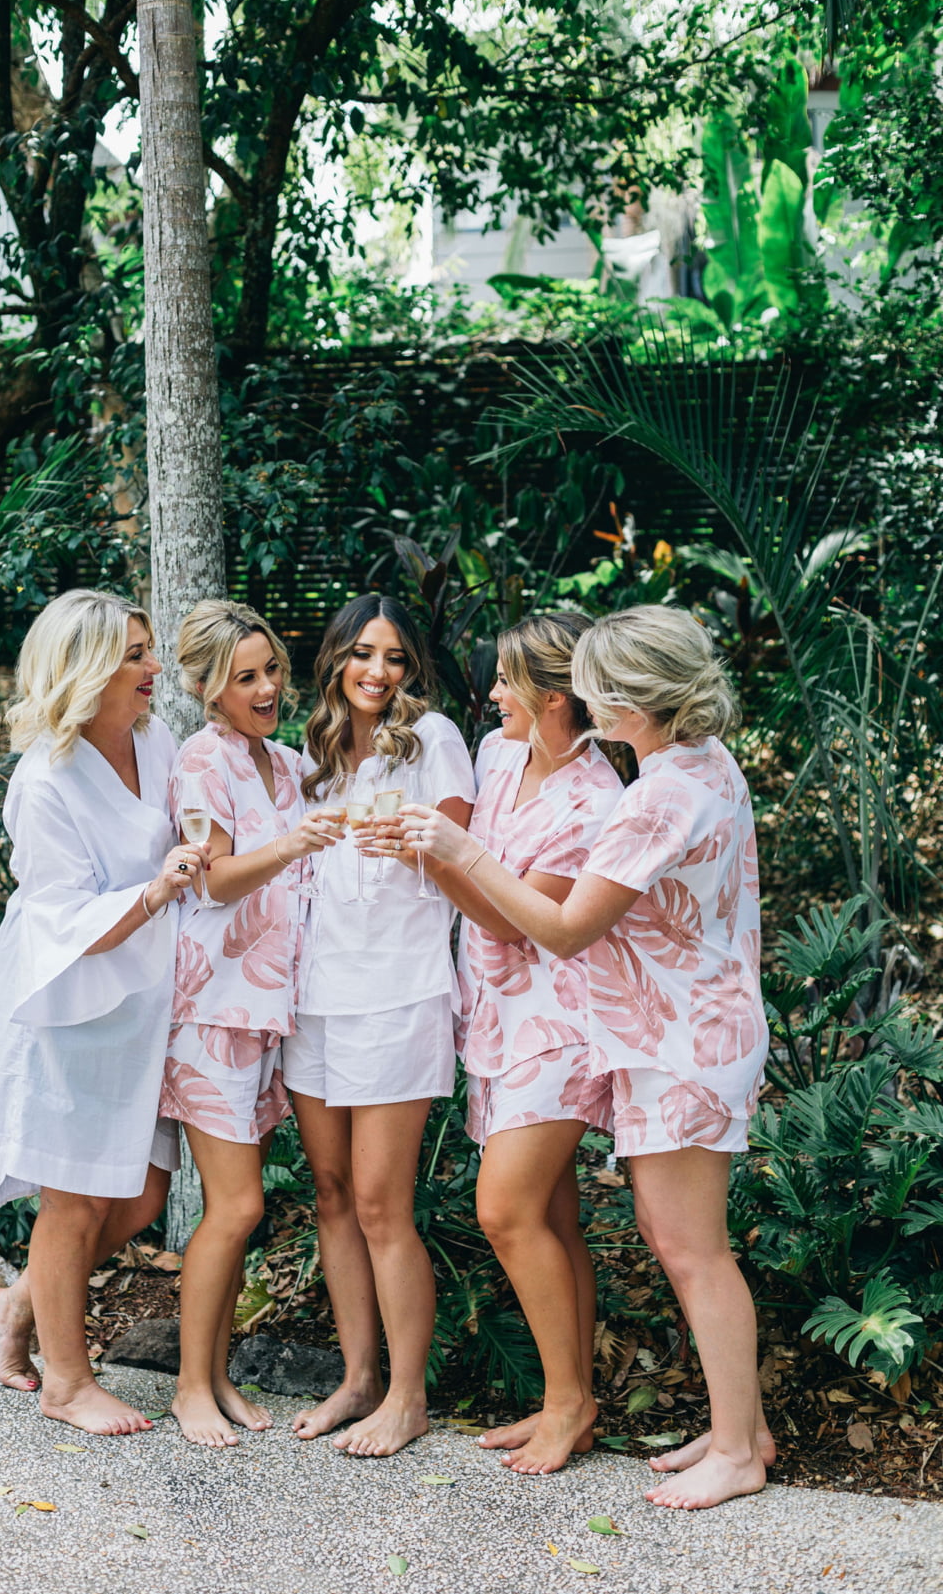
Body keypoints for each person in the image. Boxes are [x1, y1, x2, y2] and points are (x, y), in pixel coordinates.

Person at [402, 604, 772, 1509]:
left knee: (693, 1250)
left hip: (684, 1039)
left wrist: (461, 851)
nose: (587, 696)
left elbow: (565, 930)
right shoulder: (703, 762)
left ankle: (737, 1451)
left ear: (632, 700)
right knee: (680, 1241)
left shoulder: (656, 796)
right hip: (678, 1030)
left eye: (599, 685)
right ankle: (744, 1427)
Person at [381, 613, 624, 1475]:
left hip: (559, 1026)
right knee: (552, 1214)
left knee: (505, 1208)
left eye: (506, 681)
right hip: (494, 1016)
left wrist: (439, 856)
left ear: (554, 697)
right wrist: (424, 849)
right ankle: (573, 1401)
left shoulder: (596, 801)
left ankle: (567, 1403)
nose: (489, 694)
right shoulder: (496, 754)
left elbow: (517, 921)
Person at [0, 589, 207, 1436]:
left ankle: (16, 1303)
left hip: (146, 999)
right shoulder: (46, 778)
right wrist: (154, 893)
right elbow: (60, 918)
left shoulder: (156, 739)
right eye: (135, 654)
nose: (154, 667)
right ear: (86, 669)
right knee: (73, 1200)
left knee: (142, 1195)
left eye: (149, 649)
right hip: (71, 1002)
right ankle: (67, 1383)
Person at [282, 594, 475, 1457]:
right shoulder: (316, 755)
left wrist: (419, 846)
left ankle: (408, 1395)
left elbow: (466, 857)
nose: (378, 671)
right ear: (336, 659)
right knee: (331, 1193)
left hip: (398, 992)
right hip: (314, 996)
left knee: (380, 1203)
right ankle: (358, 1378)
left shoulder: (433, 739)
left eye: (394, 657)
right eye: (363, 653)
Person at [160, 600, 345, 1447]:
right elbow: (212, 881)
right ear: (208, 689)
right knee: (236, 1207)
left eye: (271, 669)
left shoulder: (287, 762)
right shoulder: (202, 762)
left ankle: (216, 1373)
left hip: (268, 1014)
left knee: (237, 1208)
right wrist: (294, 844)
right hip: (212, 1011)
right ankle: (188, 1386)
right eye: (246, 677)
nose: (268, 687)